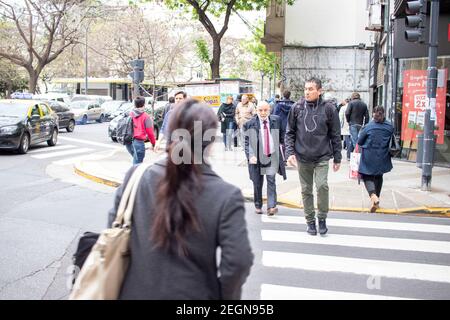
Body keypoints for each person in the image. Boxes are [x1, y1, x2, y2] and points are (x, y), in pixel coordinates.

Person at [108, 99, 254, 299]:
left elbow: (112, 233)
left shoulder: (135, 178)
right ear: (210, 142)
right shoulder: (226, 196)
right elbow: (238, 262)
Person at [285, 77, 342, 236]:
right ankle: (310, 221)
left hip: (322, 156)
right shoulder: (297, 108)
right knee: (306, 190)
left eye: (311, 89)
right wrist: (289, 153)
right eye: (306, 89)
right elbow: (289, 132)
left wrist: (337, 158)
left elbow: (335, 135)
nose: (307, 92)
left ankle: (322, 218)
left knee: (322, 186)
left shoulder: (329, 109)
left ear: (319, 91)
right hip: (303, 157)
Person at [244, 101, 286, 215]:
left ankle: (271, 206)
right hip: (257, 158)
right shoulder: (250, 123)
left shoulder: (276, 120)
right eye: (260, 110)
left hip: (271, 156)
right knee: (257, 183)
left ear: (269, 110)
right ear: (256, 110)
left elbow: (282, 137)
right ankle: (258, 204)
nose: (263, 113)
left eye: (265, 110)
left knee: (271, 180)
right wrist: (250, 155)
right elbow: (247, 142)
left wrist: (284, 151)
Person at [357, 106, 394, 213]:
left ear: (373, 114)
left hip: (369, 155)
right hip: (383, 156)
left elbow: (359, 141)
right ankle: (376, 200)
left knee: (367, 175)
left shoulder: (368, 127)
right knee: (379, 176)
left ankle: (373, 196)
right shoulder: (389, 127)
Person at [125, 96, 156, 165]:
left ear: (135, 104)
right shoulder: (146, 116)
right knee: (137, 165)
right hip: (138, 143)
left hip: (128, 142)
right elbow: (150, 133)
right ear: (144, 104)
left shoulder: (130, 114)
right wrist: (153, 143)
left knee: (136, 161)